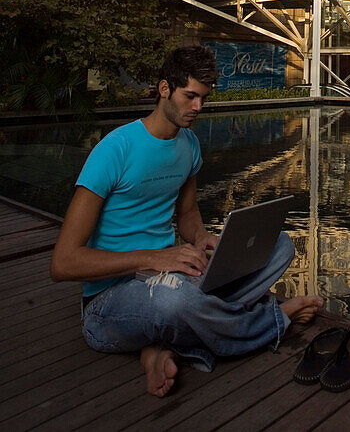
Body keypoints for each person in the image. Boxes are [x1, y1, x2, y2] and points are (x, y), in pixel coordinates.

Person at [51, 44, 322, 397]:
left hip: (173, 276)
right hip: (109, 303)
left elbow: (188, 215)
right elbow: (63, 262)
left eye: (203, 99)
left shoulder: (189, 145)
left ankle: (160, 347)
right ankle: (272, 320)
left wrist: (201, 238)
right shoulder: (114, 150)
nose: (198, 108)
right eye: (190, 96)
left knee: (281, 244)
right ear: (165, 89)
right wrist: (152, 257)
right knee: (173, 302)